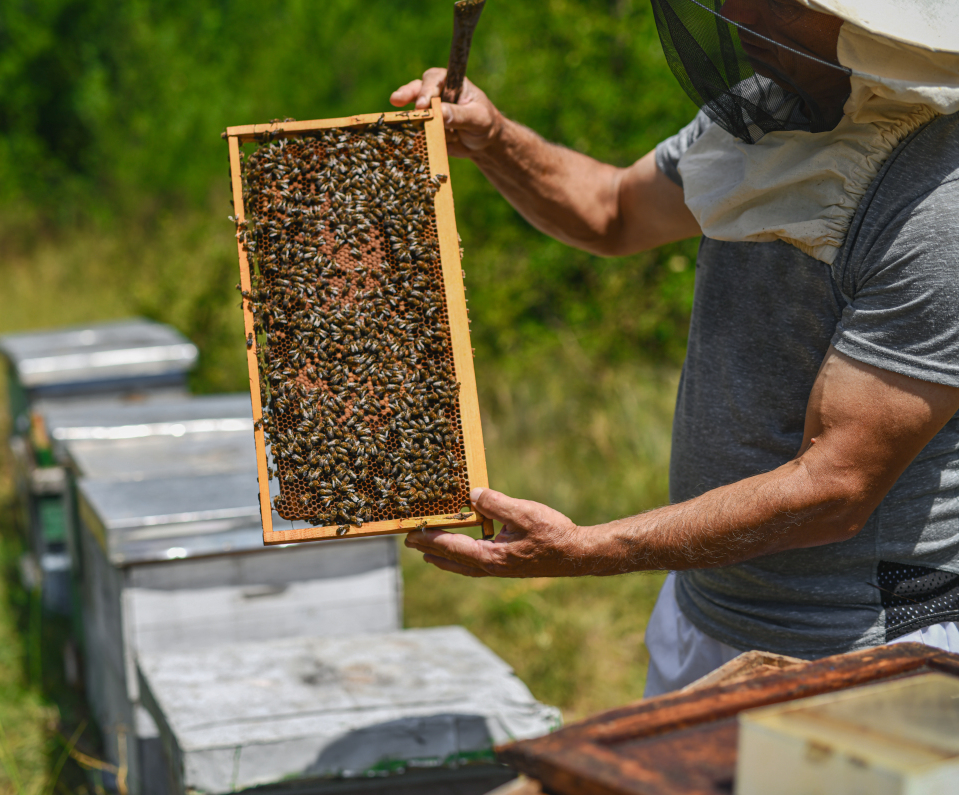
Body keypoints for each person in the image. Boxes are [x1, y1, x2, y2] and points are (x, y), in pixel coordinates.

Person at [392, 0, 959, 695]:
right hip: (710, 606)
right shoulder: (764, 108)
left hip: (863, 648)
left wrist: (585, 550)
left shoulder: (940, 204)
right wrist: (494, 137)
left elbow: (835, 487)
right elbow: (613, 211)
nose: (734, 9)